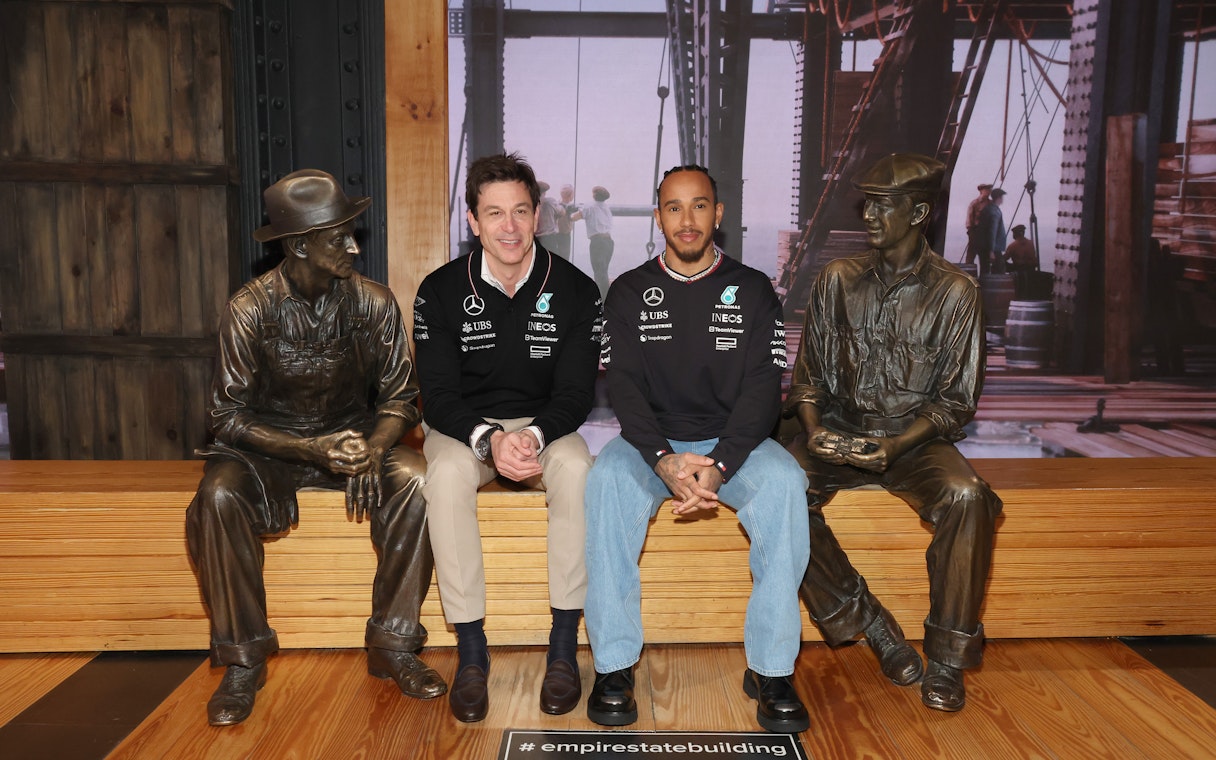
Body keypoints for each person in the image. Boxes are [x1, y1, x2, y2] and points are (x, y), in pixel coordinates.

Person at [185, 169, 445, 726]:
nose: (353, 246)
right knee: (217, 498)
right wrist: (311, 449)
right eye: (338, 237)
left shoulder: (373, 303)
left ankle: (393, 644)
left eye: (352, 233)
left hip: (355, 441)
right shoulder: (249, 310)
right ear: (299, 244)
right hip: (268, 449)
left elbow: (402, 396)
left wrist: (375, 447)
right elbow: (224, 417)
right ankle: (243, 659)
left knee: (420, 480)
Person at [584, 165, 811, 734]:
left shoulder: (755, 289)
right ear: (659, 215)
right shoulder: (630, 290)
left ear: (719, 214)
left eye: (700, 206)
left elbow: (765, 389)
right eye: (674, 208)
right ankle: (614, 667)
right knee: (605, 483)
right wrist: (662, 457)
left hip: (735, 440)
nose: (687, 221)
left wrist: (722, 464)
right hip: (648, 443)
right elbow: (625, 388)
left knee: (786, 483)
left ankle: (771, 669)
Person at [783, 153, 1003, 713]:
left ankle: (949, 660)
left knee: (969, 497)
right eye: (868, 203)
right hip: (838, 432)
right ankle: (873, 626)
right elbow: (808, 380)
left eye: (885, 204)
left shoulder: (956, 292)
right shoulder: (837, 280)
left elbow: (955, 401)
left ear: (920, 211)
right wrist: (812, 433)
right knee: (778, 493)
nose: (871, 214)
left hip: (915, 442)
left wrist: (898, 445)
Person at [413, 152, 602, 722]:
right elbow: (438, 398)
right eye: (494, 213)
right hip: (464, 426)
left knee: (577, 469)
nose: (510, 226)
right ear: (472, 221)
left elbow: (575, 395)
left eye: (520, 210)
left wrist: (536, 436)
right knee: (443, 475)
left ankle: (564, 647)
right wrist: (489, 439)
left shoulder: (576, 289)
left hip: (547, 423)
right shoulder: (440, 290)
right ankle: (472, 654)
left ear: (538, 214)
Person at [571, 185, 614, 298]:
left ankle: (603, 299)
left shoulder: (589, 206)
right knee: (604, 271)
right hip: (609, 242)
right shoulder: (606, 208)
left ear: (594, 195)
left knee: (599, 272)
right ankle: (606, 297)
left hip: (598, 242)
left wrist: (570, 214)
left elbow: (575, 217)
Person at [973, 187, 1007, 275]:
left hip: (984, 247)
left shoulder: (988, 209)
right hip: (992, 248)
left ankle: (984, 287)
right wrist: (991, 251)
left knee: (985, 269)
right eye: (1002, 197)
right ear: (999, 198)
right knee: (1000, 268)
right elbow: (992, 231)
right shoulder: (994, 211)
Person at [537, 181, 570, 260]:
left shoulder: (529, 203)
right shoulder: (550, 202)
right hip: (549, 239)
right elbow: (562, 212)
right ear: (544, 192)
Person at [962, 183, 992, 270]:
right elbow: (969, 219)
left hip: (987, 233)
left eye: (989, 190)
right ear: (981, 191)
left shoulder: (991, 204)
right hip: (975, 231)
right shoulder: (974, 203)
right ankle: (969, 274)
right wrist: (971, 232)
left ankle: (985, 277)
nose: (988, 192)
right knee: (971, 255)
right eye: (986, 190)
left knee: (985, 257)